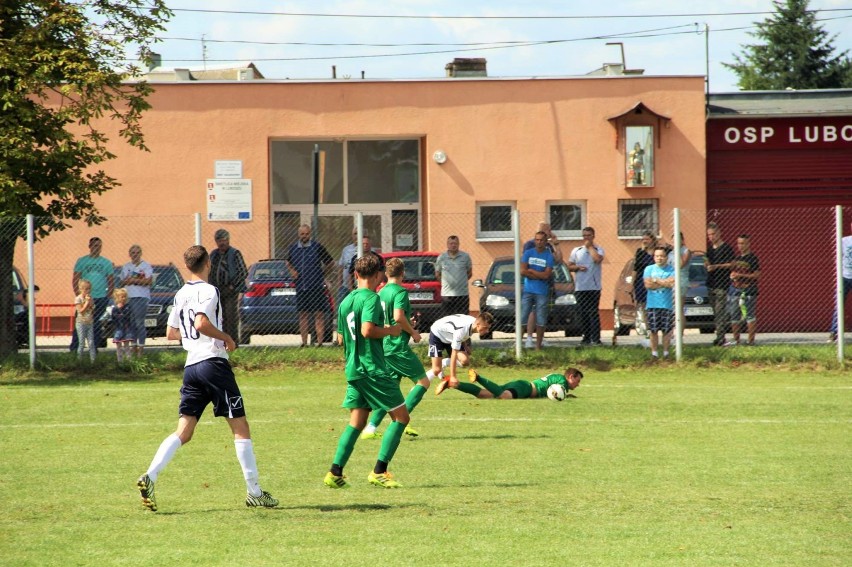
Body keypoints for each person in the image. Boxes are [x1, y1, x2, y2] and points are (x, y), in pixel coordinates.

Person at [136, 245, 278, 512]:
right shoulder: (208, 290)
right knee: (240, 427)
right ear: (209, 263)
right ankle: (255, 492)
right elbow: (201, 323)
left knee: (184, 431)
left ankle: (150, 476)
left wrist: (194, 339)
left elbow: (171, 332)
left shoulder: (180, 293)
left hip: (191, 368)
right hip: (213, 365)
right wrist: (225, 337)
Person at [324, 254, 408, 489]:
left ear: (356, 274)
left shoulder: (346, 300)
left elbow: (341, 338)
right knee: (401, 418)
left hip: (354, 369)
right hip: (372, 369)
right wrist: (391, 331)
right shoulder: (371, 298)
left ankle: (335, 472)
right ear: (379, 274)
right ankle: (379, 471)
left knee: (357, 421)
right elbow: (367, 330)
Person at [361, 257, 427, 439]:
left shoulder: (381, 292)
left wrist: (407, 322)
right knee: (423, 382)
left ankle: (371, 428)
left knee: (390, 392)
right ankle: (399, 422)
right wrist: (413, 331)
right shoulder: (400, 292)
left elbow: (390, 317)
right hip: (397, 347)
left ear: (386, 274)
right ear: (403, 273)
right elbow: (398, 317)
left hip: (384, 346)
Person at [287, 224, 334, 347]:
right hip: (301, 287)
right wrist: (292, 271)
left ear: (310, 234)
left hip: (316, 287)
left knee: (319, 314)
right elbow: (287, 262)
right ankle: (304, 343)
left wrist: (322, 274)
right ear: (299, 234)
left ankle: (319, 343)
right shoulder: (293, 248)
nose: (304, 236)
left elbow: (330, 262)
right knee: (303, 314)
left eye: (306, 234)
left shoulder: (317, 247)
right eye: (302, 234)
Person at [430, 312, 494, 396]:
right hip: (438, 334)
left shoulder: (472, 325)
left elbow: (462, 334)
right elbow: (454, 354)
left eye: (488, 328)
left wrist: (465, 346)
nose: (487, 331)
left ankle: (444, 362)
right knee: (436, 370)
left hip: (452, 335)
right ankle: (419, 385)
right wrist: (453, 376)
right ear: (478, 324)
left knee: (465, 361)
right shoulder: (462, 329)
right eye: (485, 328)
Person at [522, 222, 563, 347]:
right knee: (527, 313)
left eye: (549, 230)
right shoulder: (529, 246)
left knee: (541, 314)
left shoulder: (549, 248)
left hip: (545, 286)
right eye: (546, 230)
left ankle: (539, 340)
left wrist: (556, 244)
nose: (548, 232)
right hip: (530, 286)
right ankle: (528, 338)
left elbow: (558, 260)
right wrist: (538, 275)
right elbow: (525, 269)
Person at [70, 237, 114, 353]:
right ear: (89, 247)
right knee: (80, 322)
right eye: (94, 245)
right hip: (85, 298)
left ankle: (93, 349)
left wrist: (108, 295)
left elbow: (111, 281)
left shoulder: (106, 262)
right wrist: (79, 296)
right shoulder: (82, 261)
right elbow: (75, 279)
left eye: (99, 246)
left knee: (96, 324)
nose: (97, 248)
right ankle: (75, 349)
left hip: (100, 298)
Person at [439, 367, 583, 400]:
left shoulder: (558, 378)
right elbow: (556, 394)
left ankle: (453, 384)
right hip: (525, 389)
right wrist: (566, 398)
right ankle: (479, 377)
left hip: (521, 385)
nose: (578, 384)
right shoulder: (562, 381)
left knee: (483, 395)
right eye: (577, 380)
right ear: (571, 376)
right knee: (504, 396)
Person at [208, 229, 248, 342]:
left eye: (224, 240)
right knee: (219, 317)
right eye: (219, 241)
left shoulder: (234, 253)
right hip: (217, 290)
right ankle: (221, 342)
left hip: (230, 290)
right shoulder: (214, 255)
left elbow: (243, 272)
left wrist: (233, 286)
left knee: (231, 317)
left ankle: (233, 343)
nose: (222, 243)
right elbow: (208, 271)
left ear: (228, 240)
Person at [567, 226, 605, 346]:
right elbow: (569, 266)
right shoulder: (576, 250)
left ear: (593, 236)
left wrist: (590, 247)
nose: (586, 238)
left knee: (593, 312)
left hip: (594, 287)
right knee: (583, 313)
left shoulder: (599, 249)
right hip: (580, 287)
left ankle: (596, 339)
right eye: (584, 236)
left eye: (588, 235)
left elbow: (597, 259)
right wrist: (577, 267)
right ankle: (586, 338)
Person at [725, 234, 761, 346]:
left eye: (743, 243)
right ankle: (736, 340)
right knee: (734, 315)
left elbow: (757, 275)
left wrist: (741, 275)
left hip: (748, 290)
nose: (740, 246)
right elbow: (732, 271)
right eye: (739, 243)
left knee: (749, 315)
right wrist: (733, 275)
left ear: (748, 244)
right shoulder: (737, 258)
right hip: (735, 290)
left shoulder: (753, 258)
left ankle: (751, 341)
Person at [119, 244, 153, 356]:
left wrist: (132, 280)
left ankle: (141, 349)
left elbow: (148, 281)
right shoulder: (126, 266)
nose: (135, 255)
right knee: (131, 324)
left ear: (141, 253)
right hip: (129, 298)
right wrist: (136, 280)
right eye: (133, 253)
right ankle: (133, 347)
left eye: (137, 252)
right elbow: (122, 282)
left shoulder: (146, 266)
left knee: (139, 323)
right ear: (129, 254)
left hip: (140, 297)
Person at [705, 223, 735, 346]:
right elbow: (706, 261)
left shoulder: (727, 248)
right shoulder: (710, 249)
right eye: (709, 235)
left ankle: (721, 338)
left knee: (720, 312)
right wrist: (706, 264)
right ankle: (719, 336)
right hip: (710, 283)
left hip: (722, 284)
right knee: (715, 313)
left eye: (713, 234)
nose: (711, 237)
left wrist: (717, 266)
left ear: (719, 233)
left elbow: (732, 264)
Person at [644, 247, 676, 360]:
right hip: (652, 305)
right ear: (654, 257)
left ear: (666, 257)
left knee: (666, 330)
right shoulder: (649, 269)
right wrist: (664, 282)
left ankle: (666, 353)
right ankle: (654, 354)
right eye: (657, 256)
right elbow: (648, 285)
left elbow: (671, 283)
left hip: (667, 304)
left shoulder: (672, 269)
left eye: (662, 256)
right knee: (653, 330)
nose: (659, 258)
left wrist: (656, 280)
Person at [434, 235, 473, 317]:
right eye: (451, 243)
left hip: (462, 294)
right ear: (447, 245)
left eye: (455, 243)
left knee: (463, 318)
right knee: (447, 318)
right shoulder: (442, 258)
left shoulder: (465, 257)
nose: (453, 245)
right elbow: (437, 274)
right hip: (447, 295)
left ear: (459, 244)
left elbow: (469, 273)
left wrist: (460, 282)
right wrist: (446, 284)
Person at [631, 231, 657, 347]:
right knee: (645, 307)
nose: (645, 241)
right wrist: (632, 283)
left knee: (655, 307)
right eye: (643, 239)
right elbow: (635, 268)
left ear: (653, 240)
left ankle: (657, 331)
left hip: (655, 283)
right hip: (641, 283)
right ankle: (648, 333)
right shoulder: (640, 252)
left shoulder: (658, 252)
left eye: (647, 239)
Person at [828, 220, 852, 343]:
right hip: (844, 276)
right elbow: (839, 256)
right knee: (839, 304)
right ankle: (834, 332)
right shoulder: (844, 241)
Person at [73, 279, 96, 362]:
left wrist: (90, 302)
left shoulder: (90, 298)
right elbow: (81, 311)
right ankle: (79, 361)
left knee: (91, 342)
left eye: (89, 289)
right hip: (81, 323)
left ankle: (93, 361)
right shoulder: (78, 299)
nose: (87, 291)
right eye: (85, 289)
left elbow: (93, 309)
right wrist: (86, 302)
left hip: (90, 322)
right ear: (80, 289)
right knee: (82, 343)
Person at [110, 288, 135, 362]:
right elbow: (113, 318)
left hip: (126, 329)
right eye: (122, 297)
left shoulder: (128, 307)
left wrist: (122, 311)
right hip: (118, 329)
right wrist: (119, 309)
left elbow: (128, 316)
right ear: (117, 298)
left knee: (126, 346)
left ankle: (129, 361)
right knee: (118, 346)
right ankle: (120, 361)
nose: (124, 298)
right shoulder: (114, 308)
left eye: (125, 296)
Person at [667, 232, 692, 300]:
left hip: (681, 281)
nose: (674, 242)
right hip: (671, 280)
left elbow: (680, 264)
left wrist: (677, 250)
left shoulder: (686, 251)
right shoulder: (670, 253)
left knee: (679, 306)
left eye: (676, 240)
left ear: (681, 240)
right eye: (673, 240)